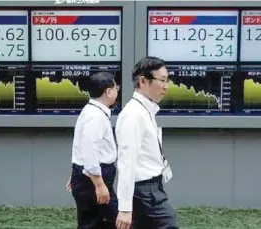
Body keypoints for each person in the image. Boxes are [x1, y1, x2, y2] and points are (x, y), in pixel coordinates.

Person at [115, 57, 179, 229]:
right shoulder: (133, 115)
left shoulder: (146, 110)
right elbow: (126, 162)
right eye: (162, 80)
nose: (166, 86)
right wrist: (125, 209)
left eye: (167, 81)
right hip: (145, 192)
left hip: (152, 188)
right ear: (143, 81)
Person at [67, 72, 120, 229]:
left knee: (91, 222)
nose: (118, 90)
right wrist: (98, 184)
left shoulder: (90, 111)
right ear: (108, 92)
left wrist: (78, 173)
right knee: (120, 220)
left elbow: (82, 147)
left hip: (87, 176)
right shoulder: (96, 116)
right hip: (94, 178)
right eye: (116, 87)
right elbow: (90, 150)